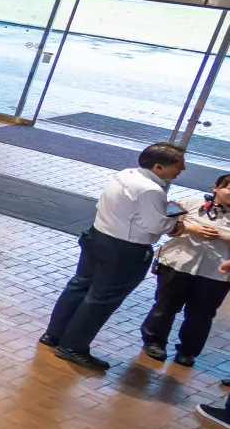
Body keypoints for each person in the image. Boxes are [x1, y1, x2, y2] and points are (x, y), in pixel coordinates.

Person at [41, 142, 185, 369]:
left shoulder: (125, 174)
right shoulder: (151, 190)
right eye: (179, 165)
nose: (182, 169)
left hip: (97, 237)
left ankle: (54, 335)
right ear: (158, 167)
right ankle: (73, 347)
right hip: (124, 250)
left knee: (79, 286)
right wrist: (176, 224)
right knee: (101, 299)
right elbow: (155, 225)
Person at [143, 172, 230, 365]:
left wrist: (223, 236)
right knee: (165, 306)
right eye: (229, 188)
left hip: (216, 273)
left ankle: (188, 351)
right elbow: (165, 222)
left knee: (201, 315)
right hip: (178, 263)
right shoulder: (193, 202)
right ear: (216, 187)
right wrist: (191, 229)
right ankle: (153, 342)